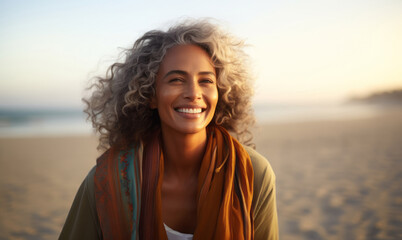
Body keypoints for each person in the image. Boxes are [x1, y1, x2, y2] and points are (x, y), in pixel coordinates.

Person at [59, 19, 278, 240]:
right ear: (150, 95)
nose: (193, 93)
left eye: (206, 81)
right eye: (176, 80)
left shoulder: (254, 174)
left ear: (220, 92)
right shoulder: (107, 179)